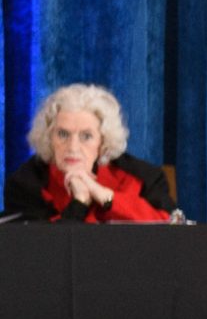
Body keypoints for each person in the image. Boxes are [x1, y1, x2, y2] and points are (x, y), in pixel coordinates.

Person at [4, 84, 175, 224]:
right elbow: (39, 252)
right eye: (63, 134)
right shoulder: (25, 184)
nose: (73, 147)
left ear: (103, 142)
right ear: (49, 138)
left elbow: (170, 227)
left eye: (86, 136)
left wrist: (106, 197)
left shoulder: (143, 177)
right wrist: (79, 202)